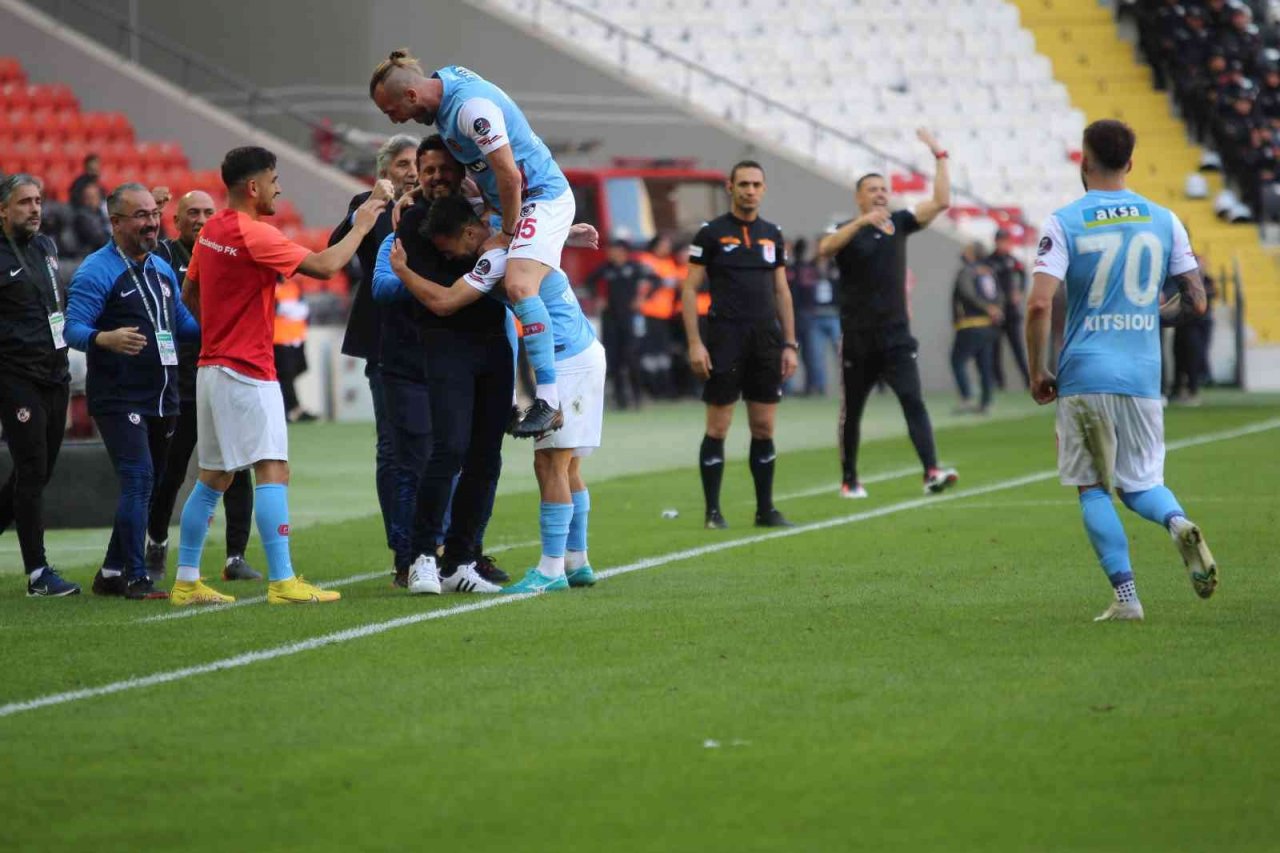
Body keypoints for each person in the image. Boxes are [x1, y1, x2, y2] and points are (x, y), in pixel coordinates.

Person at [169, 146, 384, 605]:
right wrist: (364, 223)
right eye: (273, 179)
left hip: (212, 368)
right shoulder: (253, 234)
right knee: (273, 468)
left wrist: (220, 332)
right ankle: (283, 581)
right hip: (247, 371)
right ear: (253, 187)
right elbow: (327, 266)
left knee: (214, 477)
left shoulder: (211, 232)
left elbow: (189, 290)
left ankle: (186, 581)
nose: (278, 188)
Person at [1026, 119, 1216, 622]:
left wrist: (1037, 370)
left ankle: (1127, 598)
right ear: (1130, 163)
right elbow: (1196, 301)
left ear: (1083, 161)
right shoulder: (1166, 219)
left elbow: (1039, 306)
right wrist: (1151, 315)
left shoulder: (1064, 221)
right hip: (1142, 375)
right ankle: (1176, 521)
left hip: (1085, 373)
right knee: (1142, 484)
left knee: (1093, 487)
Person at [389, 193, 605, 594]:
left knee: (551, 465)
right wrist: (567, 234)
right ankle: (578, 562)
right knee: (569, 465)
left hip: (566, 358)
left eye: (448, 246)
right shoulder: (521, 244)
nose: (448, 256)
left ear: (471, 232)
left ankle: (552, 568)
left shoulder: (494, 259)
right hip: (584, 350)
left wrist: (402, 270)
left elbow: (445, 301)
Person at [369, 51, 571, 438]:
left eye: (391, 110)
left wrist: (508, 233)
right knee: (497, 290)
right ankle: (514, 398)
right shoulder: (447, 89)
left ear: (411, 95)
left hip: (538, 196)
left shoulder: (470, 108)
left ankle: (548, 400)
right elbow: (475, 173)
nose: (394, 120)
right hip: (514, 207)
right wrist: (420, 192)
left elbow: (509, 176)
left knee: (517, 284)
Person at [373, 140, 515, 595]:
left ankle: (461, 558)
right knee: (449, 449)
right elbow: (441, 296)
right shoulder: (414, 221)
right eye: (426, 169)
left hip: (493, 343)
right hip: (444, 343)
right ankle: (420, 556)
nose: (435, 177)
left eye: (443, 169)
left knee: (486, 456)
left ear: (461, 173)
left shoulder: (484, 209)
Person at [64, 183, 201, 600]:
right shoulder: (97, 269)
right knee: (139, 480)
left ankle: (110, 571)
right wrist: (105, 338)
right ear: (116, 222)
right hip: (120, 396)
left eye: (153, 214)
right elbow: (72, 329)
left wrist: (227, 329)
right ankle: (137, 577)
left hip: (163, 395)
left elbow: (183, 326)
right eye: (140, 215)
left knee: (152, 484)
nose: (151, 222)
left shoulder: (160, 269)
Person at [818, 128, 959, 500]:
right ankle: (849, 478)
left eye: (884, 188)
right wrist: (861, 223)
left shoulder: (900, 222)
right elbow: (825, 247)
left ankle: (931, 470)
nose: (881, 194)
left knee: (913, 401)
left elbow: (941, 201)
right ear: (859, 198)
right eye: (873, 189)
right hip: (858, 338)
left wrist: (939, 155)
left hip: (896, 336)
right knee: (853, 412)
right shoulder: (844, 230)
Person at [147, 191, 259, 583]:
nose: (200, 218)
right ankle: (157, 544)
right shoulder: (164, 258)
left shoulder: (228, 254)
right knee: (173, 469)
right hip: (182, 384)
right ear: (176, 221)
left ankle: (235, 557)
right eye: (192, 212)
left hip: (227, 375)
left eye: (209, 212)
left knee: (238, 467)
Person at [681, 161, 798, 530]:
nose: (750, 190)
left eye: (756, 184)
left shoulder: (772, 234)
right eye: (743, 184)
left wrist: (790, 343)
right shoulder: (711, 234)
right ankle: (713, 513)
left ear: (764, 189)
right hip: (724, 338)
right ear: (730, 187)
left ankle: (766, 510)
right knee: (719, 427)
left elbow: (782, 291)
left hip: (765, 340)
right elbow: (688, 289)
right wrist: (696, 343)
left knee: (764, 427)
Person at [330, 136, 407, 581]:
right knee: (393, 446)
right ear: (384, 171)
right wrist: (370, 208)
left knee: (442, 444)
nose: (412, 171)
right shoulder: (367, 203)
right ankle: (403, 549)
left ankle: (444, 543)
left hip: (435, 338)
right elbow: (336, 251)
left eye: (417, 162)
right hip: (382, 338)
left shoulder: (440, 203)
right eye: (401, 164)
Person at [0, 174, 79, 596]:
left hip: (55, 371)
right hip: (16, 377)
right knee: (31, 468)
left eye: (38, 200)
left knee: (39, 470)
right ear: (2, 210)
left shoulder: (46, 247)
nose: (35, 209)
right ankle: (37, 574)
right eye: (25, 202)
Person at [586, 240, 653, 409]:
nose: (611, 254)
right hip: (610, 318)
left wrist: (642, 298)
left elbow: (655, 281)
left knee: (631, 356)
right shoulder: (606, 269)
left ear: (624, 251)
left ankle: (638, 396)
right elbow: (588, 282)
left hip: (630, 317)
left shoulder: (635, 267)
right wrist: (598, 298)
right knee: (613, 359)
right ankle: (620, 399)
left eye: (614, 250)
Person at [949, 243, 1002, 415]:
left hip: (970, 323)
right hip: (989, 325)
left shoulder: (966, 271)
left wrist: (987, 308)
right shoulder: (990, 271)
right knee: (984, 364)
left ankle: (967, 397)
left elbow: (967, 293)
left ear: (972, 254)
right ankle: (986, 401)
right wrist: (996, 309)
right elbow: (1000, 294)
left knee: (957, 360)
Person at [986, 228, 1031, 390]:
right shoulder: (989, 261)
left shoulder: (1013, 261)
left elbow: (1024, 276)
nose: (1004, 244)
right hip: (996, 311)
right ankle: (999, 384)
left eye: (1007, 241)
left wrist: (1019, 292)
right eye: (1001, 241)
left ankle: (1028, 381)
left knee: (1018, 348)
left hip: (1012, 311)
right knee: (994, 350)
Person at [272, 277, 316, 423]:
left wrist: (291, 309)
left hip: (296, 337)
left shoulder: (292, 286)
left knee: (297, 370)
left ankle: (290, 407)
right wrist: (290, 309)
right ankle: (292, 408)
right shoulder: (271, 287)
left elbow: (303, 308)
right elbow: (274, 308)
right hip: (278, 338)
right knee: (285, 376)